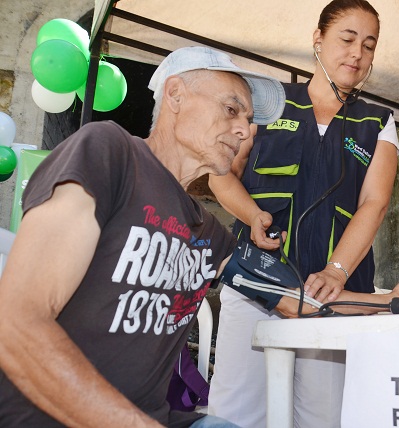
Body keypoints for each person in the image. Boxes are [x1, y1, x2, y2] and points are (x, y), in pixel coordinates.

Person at [0, 46, 287, 428]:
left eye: (250, 120)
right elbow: (17, 323)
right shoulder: (109, 152)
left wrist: (387, 301)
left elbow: (291, 298)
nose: (245, 130)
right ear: (176, 95)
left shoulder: (210, 234)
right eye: (232, 110)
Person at [207, 1, 399, 426]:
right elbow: (222, 175)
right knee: (237, 414)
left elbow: (375, 203)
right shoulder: (268, 102)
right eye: (347, 40)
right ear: (318, 40)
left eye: (369, 46)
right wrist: (252, 214)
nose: (358, 55)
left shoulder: (379, 122)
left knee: (323, 416)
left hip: (333, 298)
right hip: (259, 282)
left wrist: (336, 270)